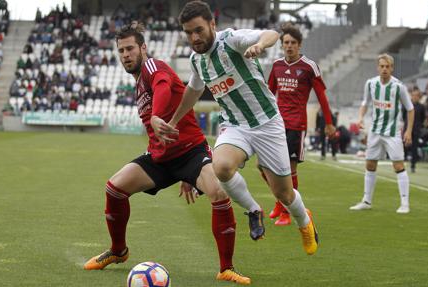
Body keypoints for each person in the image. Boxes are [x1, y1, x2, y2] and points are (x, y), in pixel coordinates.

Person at [83, 23, 250, 285]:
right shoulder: (138, 84)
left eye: (130, 49)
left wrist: (160, 116)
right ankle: (118, 251)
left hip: (191, 153)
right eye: (121, 51)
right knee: (114, 188)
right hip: (160, 157)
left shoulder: (153, 67)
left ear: (143, 48)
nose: (125, 54)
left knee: (218, 191)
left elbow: (162, 86)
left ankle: (226, 268)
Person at [152, 0, 318, 255]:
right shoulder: (197, 60)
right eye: (188, 32)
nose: (194, 37)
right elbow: (193, 91)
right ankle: (253, 209)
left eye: (198, 30)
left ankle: (304, 223)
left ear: (212, 24)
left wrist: (260, 45)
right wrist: (172, 122)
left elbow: (272, 34)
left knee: (283, 193)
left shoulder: (231, 40)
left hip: (267, 123)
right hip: (235, 125)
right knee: (221, 167)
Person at [267, 24, 335, 225]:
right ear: (281, 45)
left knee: (289, 169)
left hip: (296, 125)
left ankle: (288, 212)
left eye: (293, 43)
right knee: (263, 166)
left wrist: (329, 123)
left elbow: (322, 96)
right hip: (276, 124)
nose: (289, 46)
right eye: (286, 43)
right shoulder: (277, 65)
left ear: (299, 45)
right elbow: (270, 94)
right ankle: (281, 201)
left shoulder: (309, 66)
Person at [350, 54, 414, 214]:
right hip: (375, 131)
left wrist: (408, 131)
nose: (384, 69)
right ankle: (366, 201)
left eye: (388, 66)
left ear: (392, 68)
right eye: (382, 66)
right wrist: (360, 117)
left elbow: (410, 108)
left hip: (392, 132)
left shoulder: (398, 86)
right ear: (378, 67)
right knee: (370, 164)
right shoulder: (371, 83)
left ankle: (405, 203)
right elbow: (365, 103)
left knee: (398, 165)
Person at [403, 88, 426, 173]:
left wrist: (419, 125)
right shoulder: (406, 105)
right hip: (407, 129)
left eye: (416, 96)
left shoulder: (421, 107)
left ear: (419, 97)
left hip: (416, 130)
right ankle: (402, 164)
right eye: (413, 95)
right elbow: (403, 115)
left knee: (414, 148)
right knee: (404, 146)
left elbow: (423, 117)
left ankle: (413, 165)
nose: (414, 97)